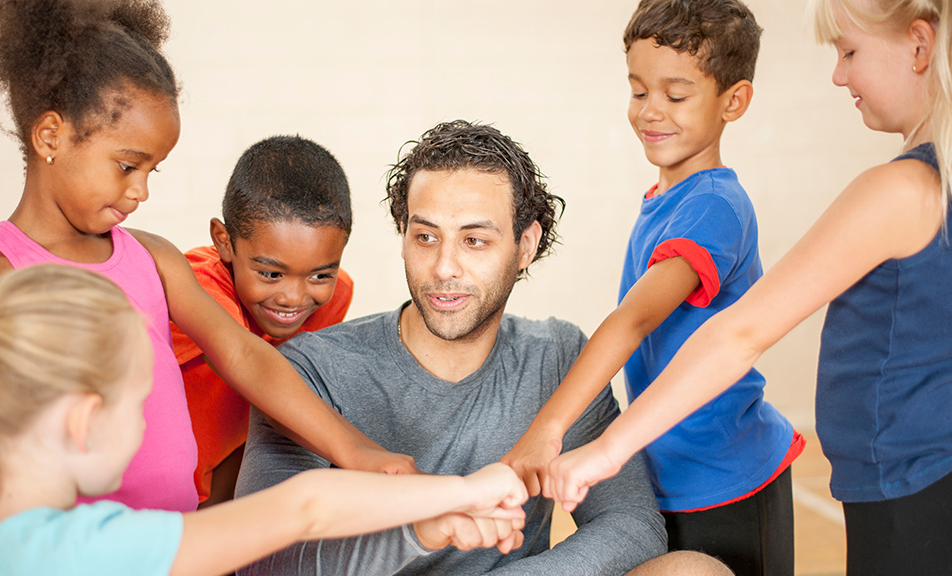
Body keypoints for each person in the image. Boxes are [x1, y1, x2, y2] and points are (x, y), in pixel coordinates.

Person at [545, 1, 952, 575]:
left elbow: (739, 333)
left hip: (913, 485)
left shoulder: (903, 189)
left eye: (849, 52)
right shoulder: (942, 183)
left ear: (920, 47)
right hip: (912, 478)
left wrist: (605, 449)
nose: (839, 75)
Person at [0, 0, 413, 514]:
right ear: (50, 136)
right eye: (127, 166)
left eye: (154, 170)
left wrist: (356, 449)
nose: (141, 191)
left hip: (183, 545)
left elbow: (243, 355)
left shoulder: (152, 256)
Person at [235, 120, 733, 576]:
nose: (444, 266)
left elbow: (630, 524)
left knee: (691, 572)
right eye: (425, 236)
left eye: (474, 241)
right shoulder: (309, 370)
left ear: (526, 244)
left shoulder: (557, 357)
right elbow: (264, 561)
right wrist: (415, 534)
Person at [0, 265, 530, 576]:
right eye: (141, 401)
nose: (148, 425)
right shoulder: (79, 549)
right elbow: (305, 507)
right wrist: (466, 488)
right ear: (84, 420)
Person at [502, 1, 800, 573]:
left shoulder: (714, 205)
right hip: (667, 475)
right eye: (639, 92)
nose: (651, 112)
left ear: (733, 101)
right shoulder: (667, 200)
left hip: (729, 478)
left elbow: (634, 319)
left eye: (676, 95)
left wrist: (549, 429)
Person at [171, 135, 356, 508]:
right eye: (271, 274)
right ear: (224, 241)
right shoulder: (194, 284)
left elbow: (278, 409)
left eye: (320, 275)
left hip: (211, 489)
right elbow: (249, 363)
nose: (294, 297)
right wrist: (360, 453)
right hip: (127, 495)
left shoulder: (333, 298)